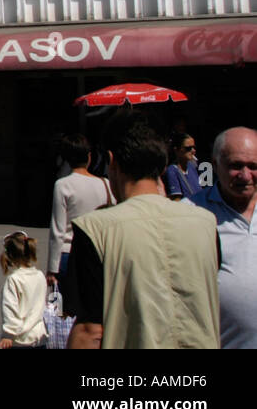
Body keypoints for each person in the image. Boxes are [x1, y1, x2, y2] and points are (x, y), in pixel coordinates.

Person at [65, 118, 220, 349]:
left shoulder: (94, 229)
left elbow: (90, 332)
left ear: (111, 161)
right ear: (162, 165)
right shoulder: (206, 223)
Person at [189, 127, 257, 348]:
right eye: (236, 166)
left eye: (253, 166)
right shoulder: (191, 213)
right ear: (215, 165)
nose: (245, 175)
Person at [46, 133, 111, 300]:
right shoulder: (105, 183)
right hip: (99, 253)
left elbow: (58, 230)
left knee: (66, 312)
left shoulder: (63, 185)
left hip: (69, 253)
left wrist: (52, 267)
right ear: (89, 157)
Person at [0, 231, 46, 348]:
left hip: (20, 340)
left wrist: (8, 333)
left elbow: (10, 307)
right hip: (39, 336)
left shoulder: (14, 279)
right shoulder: (39, 275)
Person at [163, 131, 201, 200]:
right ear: (176, 150)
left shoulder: (192, 166)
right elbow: (177, 200)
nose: (193, 150)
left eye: (194, 147)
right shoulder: (172, 171)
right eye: (188, 148)